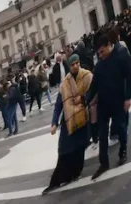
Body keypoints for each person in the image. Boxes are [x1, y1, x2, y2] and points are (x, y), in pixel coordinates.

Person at [43, 53, 93, 195]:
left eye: (77, 63)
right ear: (69, 66)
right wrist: (54, 122)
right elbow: (58, 105)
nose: (75, 66)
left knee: (79, 148)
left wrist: (83, 100)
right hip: (69, 121)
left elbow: (93, 93)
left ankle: (75, 173)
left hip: (83, 119)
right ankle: (58, 179)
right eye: (72, 64)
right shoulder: (65, 84)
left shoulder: (87, 76)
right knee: (64, 150)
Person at [85, 30, 131, 178]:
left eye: (102, 51)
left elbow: (129, 76)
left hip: (118, 101)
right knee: (103, 134)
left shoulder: (121, 56)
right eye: (99, 53)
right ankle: (103, 163)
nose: (101, 55)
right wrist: (86, 100)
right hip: (104, 104)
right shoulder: (99, 66)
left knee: (120, 127)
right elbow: (94, 86)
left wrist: (128, 98)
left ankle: (123, 150)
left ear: (109, 45)